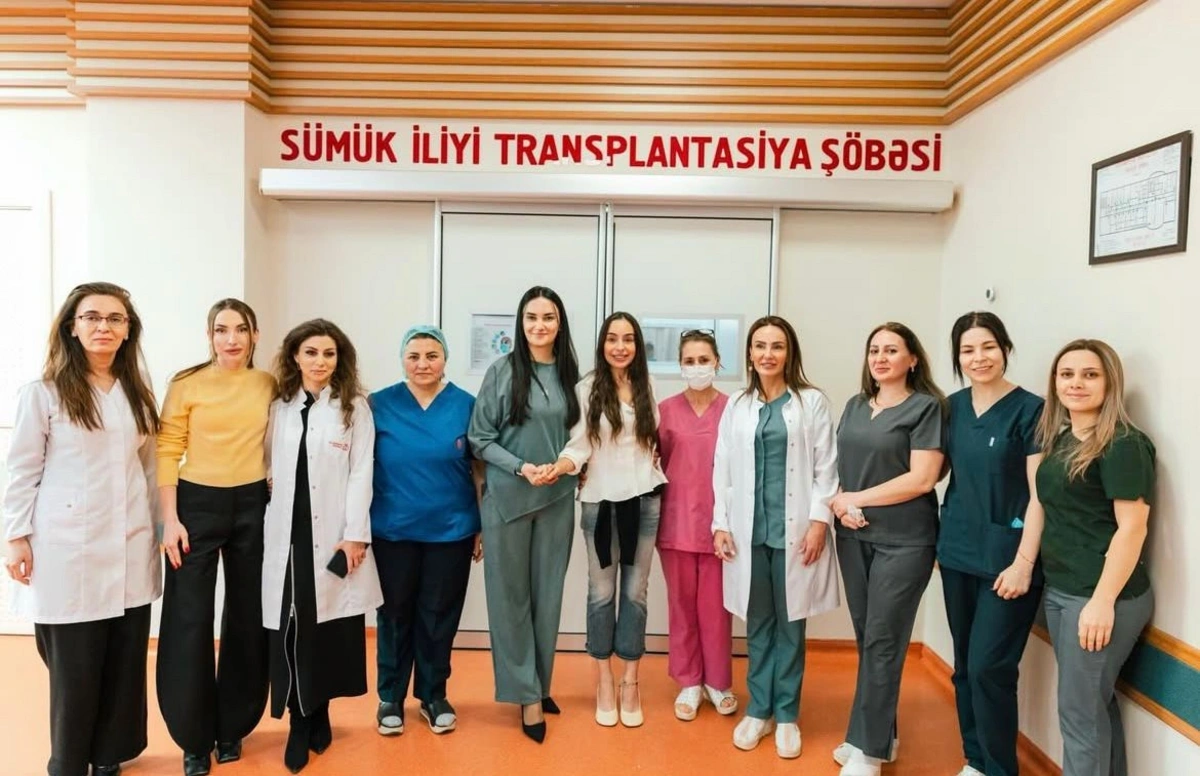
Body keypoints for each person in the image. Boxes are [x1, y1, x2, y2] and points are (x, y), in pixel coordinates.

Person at [3, 282, 161, 776]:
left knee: (124, 658)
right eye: (92, 317)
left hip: (130, 541)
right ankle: (68, 762)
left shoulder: (137, 393)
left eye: (115, 319)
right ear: (72, 327)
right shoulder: (44, 394)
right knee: (74, 666)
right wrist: (15, 536)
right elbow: (22, 469)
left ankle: (109, 755)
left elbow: (150, 468)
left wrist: (161, 527)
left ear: (128, 330)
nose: (103, 327)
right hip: (67, 548)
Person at [711, 315, 840, 759]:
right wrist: (720, 523)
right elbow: (722, 468)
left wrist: (819, 522)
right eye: (760, 346)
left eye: (777, 346)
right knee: (758, 624)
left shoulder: (811, 403)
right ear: (749, 353)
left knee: (791, 625)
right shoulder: (737, 405)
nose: (768, 354)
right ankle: (758, 710)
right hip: (749, 534)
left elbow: (827, 468)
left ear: (790, 353)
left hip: (795, 533)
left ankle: (786, 714)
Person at [156, 299, 275, 776]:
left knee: (248, 614)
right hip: (195, 505)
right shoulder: (186, 384)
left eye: (241, 329)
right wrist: (170, 519)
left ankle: (233, 727)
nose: (231, 339)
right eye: (221, 330)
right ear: (209, 336)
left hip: (252, 504)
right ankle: (193, 737)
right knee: (189, 618)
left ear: (255, 335)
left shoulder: (267, 384)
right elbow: (168, 449)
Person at [262, 319, 382, 773]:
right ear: (295, 356)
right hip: (285, 534)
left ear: (339, 359)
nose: (320, 361)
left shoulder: (354, 409)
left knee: (327, 627)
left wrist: (355, 534)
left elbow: (361, 472)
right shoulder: (279, 407)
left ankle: (320, 709)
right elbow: (264, 460)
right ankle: (299, 720)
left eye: (328, 353)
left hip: (333, 533)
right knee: (291, 625)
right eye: (310, 352)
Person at [830, 322, 946, 776]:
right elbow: (840, 468)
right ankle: (882, 734)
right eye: (874, 350)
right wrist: (841, 506)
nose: (880, 358)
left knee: (883, 639)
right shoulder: (856, 405)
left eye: (892, 350)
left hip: (905, 541)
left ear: (912, 359)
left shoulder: (926, 408)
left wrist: (855, 498)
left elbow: (922, 478)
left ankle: (867, 752)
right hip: (853, 535)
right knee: (869, 637)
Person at [467, 286, 581, 743]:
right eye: (531, 317)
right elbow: (479, 438)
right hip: (508, 501)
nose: (539, 325)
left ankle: (539, 682)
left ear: (560, 323)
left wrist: (565, 467)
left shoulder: (571, 376)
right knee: (510, 599)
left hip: (556, 498)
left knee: (548, 597)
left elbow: (582, 436)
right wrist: (521, 467)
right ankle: (526, 695)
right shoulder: (502, 371)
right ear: (521, 322)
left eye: (548, 317)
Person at [1035, 339, 1154, 776]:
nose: (1076, 383)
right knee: (1091, 707)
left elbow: (1133, 528)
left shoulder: (1122, 444)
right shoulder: (1064, 438)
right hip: (1064, 588)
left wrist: (1102, 602)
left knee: (1078, 715)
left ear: (1110, 382)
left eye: (1090, 375)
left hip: (1101, 595)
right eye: (1067, 374)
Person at [939, 312, 1045, 776]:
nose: (978, 358)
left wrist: (1024, 563)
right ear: (957, 357)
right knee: (965, 666)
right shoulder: (951, 409)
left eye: (988, 347)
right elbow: (930, 472)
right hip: (958, 552)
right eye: (968, 350)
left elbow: (1041, 495)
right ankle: (976, 762)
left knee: (989, 668)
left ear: (1005, 349)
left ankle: (1000, 769)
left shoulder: (1032, 410)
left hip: (1009, 560)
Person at [549, 312, 667, 728]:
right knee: (601, 593)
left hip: (645, 500)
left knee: (636, 593)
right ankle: (603, 679)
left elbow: (652, 441)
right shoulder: (587, 389)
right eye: (613, 339)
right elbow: (578, 445)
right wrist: (561, 466)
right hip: (599, 502)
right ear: (602, 344)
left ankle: (630, 681)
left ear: (637, 345)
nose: (620, 346)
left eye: (628, 339)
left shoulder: (647, 384)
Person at [370, 325, 483, 737]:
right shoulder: (378, 404)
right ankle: (390, 697)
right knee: (394, 614)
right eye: (414, 356)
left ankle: (434, 695)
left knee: (439, 615)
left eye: (432, 356)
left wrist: (481, 524)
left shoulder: (466, 405)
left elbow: (479, 468)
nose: (422, 364)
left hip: (451, 529)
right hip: (392, 529)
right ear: (402, 360)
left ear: (444, 360)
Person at [655, 330, 736, 722]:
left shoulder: (734, 409)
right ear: (680, 365)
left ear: (717, 362)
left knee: (717, 608)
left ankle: (718, 682)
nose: (697, 367)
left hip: (722, 525)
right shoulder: (665, 410)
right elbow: (654, 461)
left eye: (704, 360)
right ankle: (689, 681)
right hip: (676, 522)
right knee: (682, 606)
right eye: (690, 361)